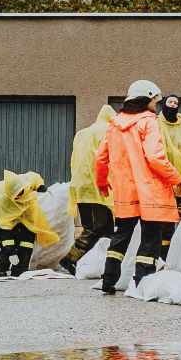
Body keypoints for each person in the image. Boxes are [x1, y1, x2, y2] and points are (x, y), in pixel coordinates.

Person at [94, 80, 181, 294]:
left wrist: (101, 181)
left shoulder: (114, 124)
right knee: (150, 239)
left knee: (121, 235)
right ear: (146, 99)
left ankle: (108, 280)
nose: (156, 104)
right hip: (150, 193)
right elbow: (155, 157)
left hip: (125, 192)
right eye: (155, 100)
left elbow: (100, 157)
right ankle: (142, 283)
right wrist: (176, 178)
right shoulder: (149, 122)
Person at [0, 169, 57, 277]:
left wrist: (39, 186)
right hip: (10, 221)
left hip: (28, 216)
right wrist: (11, 252)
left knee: (27, 244)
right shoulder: (4, 204)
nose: (20, 196)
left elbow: (35, 178)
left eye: (21, 192)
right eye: (17, 195)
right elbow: (5, 233)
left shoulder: (25, 181)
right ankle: (0, 270)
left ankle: (20, 271)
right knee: (7, 246)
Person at [67, 105, 116, 273]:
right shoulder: (107, 131)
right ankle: (71, 259)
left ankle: (100, 264)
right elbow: (109, 159)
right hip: (98, 188)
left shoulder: (81, 134)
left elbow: (74, 159)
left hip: (81, 186)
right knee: (99, 227)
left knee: (97, 226)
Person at [158, 94, 181, 213]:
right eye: (170, 102)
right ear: (163, 104)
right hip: (163, 180)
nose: (173, 105)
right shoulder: (156, 125)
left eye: (175, 103)